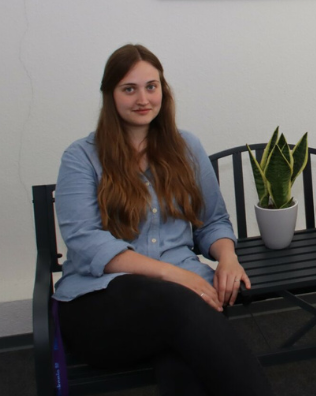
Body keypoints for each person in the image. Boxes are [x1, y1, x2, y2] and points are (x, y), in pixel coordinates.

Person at [53, 44, 274, 396]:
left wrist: (228, 258)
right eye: (129, 89)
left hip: (183, 306)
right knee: (177, 302)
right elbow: (85, 239)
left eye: (151, 86)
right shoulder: (81, 156)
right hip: (101, 308)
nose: (143, 98)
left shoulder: (186, 147)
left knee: (182, 356)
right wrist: (177, 275)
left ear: (163, 91)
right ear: (110, 95)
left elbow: (212, 221)